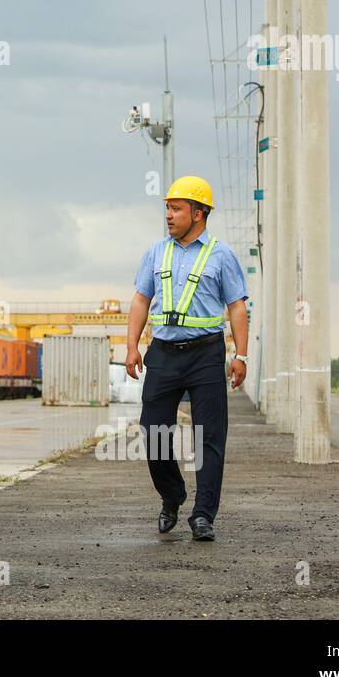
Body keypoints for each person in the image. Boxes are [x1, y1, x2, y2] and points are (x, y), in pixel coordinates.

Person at [125, 176, 249, 542]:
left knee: (209, 437)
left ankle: (203, 514)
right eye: (167, 207)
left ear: (198, 214)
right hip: (162, 354)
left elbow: (237, 306)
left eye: (176, 208)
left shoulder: (222, 255)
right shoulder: (155, 252)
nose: (168, 214)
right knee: (152, 430)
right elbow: (139, 301)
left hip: (206, 355)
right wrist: (132, 346)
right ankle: (173, 495)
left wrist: (240, 355)